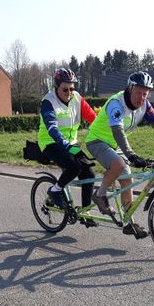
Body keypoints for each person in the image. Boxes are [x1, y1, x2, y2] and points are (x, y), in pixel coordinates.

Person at [85, 71, 154, 239]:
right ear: (130, 89)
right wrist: (130, 154)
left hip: (115, 145)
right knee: (120, 165)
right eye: (138, 92)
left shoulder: (145, 105)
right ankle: (99, 195)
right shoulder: (117, 103)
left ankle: (129, 223)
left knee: (127, 178)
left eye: (145, 93)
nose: (141, 97)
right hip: (97, 141)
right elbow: (118, 131)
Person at [37, 68, 97, 223]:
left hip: (71, 143)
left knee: (89, 174)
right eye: (65, 89)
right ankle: (55, 191)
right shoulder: (48, 102)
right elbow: (52, 129)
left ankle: (85, 213)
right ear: (56, 87)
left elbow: (93, 120)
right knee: (73, 166)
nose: (69, 92)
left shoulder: (77, 98)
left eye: (72, 88)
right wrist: (67, 146)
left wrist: (106, 136)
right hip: (51, 143)